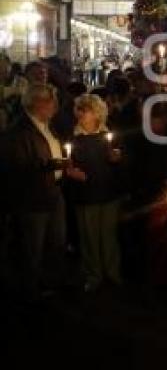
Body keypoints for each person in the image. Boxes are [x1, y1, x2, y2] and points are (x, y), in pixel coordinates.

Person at [1, 83, 75, 299]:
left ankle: (51, 282)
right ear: (37, 103)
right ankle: (30, 290)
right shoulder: (18, 132)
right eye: (51, 103)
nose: (54, 107)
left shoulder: (47, 126)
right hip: (33, 199)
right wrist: (51, 165)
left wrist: (64, 168)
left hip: (54, 193)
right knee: (33, 246)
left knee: (57, 242)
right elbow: (17, 167)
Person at [66, 94, 123, 292]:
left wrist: (117, 159)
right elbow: (67, 166)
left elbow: (120, 166)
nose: (81, 113)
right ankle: (93, 274)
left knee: (109, 236)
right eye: (79, 109)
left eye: (86, 109)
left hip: (108, 194)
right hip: (85, 195)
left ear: (97, 113)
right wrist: (70, 172)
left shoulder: (108, 135)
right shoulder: (73, 138)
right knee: (88, 237)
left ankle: (112, 272)